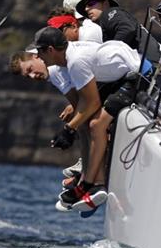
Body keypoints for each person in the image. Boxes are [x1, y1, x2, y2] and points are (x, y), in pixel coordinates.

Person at [31, 27, 146, 212]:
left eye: (40, 51)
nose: (38, 56)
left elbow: (92, 103)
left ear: (51, 50)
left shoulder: (75, 62)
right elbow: (84, 99)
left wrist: (68, 129)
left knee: (96, 124)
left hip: (140, 74)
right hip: (121, 76)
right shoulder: (69, 57)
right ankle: (88, 178)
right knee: (86, 123)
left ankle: (90, 185)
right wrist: (72, 127)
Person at [8, 50, 87, 186]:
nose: (33, 76)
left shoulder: (54, 69)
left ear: (36, 56)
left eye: (30, 69)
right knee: (76, 118)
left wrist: (68, 130)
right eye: (28, 76)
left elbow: (87, 104)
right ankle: (88, 167)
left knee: (84, 121)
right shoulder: (52, 73)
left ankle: (89, 174)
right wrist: (72, 109)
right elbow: (78, 101)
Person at [75, 0, 161, 63]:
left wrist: (109, 53)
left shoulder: (110, 13)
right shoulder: (107, 22)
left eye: (91, 3)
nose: (86, 9)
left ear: (105, 4)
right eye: (85, 7)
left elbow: (127, 28)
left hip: (151, 67)